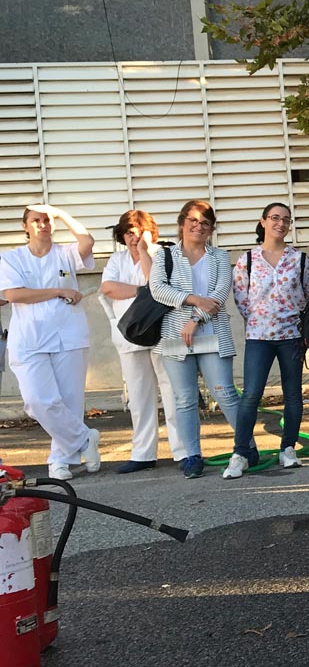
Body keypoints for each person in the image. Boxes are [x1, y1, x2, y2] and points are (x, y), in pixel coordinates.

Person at [0, 204, 99, 481]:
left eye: (47, 220)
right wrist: (58, 291)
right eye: (36, 220)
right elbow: (14, 294)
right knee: (37, 401)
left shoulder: (66, 253)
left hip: (69, 335)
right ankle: (85, 439)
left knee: (68, 401)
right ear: (25, 226)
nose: (43, 225)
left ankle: (59, 460)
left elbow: (87, 242)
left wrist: (62, 214)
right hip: (29, 338)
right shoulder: (12, 258)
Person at [149, 200, 243, 479]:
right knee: (185, 398)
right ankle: (192, 455)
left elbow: (219, 295)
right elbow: (158, 289)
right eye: (192, 220)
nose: (198, 226)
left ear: (211, 229)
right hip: (174, 335)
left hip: (213, 332)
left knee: (225, 392)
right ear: (182, 223)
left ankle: (245, 446)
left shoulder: (219, 257)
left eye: (205, 223)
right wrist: (193, 299)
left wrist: (195, 319)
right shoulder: (165, 256)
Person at [226, 202, 309, 479]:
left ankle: (288, 448)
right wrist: (260, 320)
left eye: (286, 219)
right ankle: (240, 453)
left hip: (292, 336)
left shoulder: (300, 260)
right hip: (259, 337)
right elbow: (241, 298)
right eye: (275, 217)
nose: (280, 223)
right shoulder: (248, 260)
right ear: (263, 221)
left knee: (293, 394)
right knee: (251, 394)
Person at [99, 210, 185, 473]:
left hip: (162, 332)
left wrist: (145, 252)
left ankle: (184, 451)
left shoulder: (163, 255)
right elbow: (108, 288)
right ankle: (143, 454)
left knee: (172, 393)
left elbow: (156, 284)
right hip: (129, 336)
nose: (133, 237)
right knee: (138, 397)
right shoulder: (117, 259)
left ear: (150, 232)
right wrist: (142, 292)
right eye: (128, 232)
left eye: (139, 231)